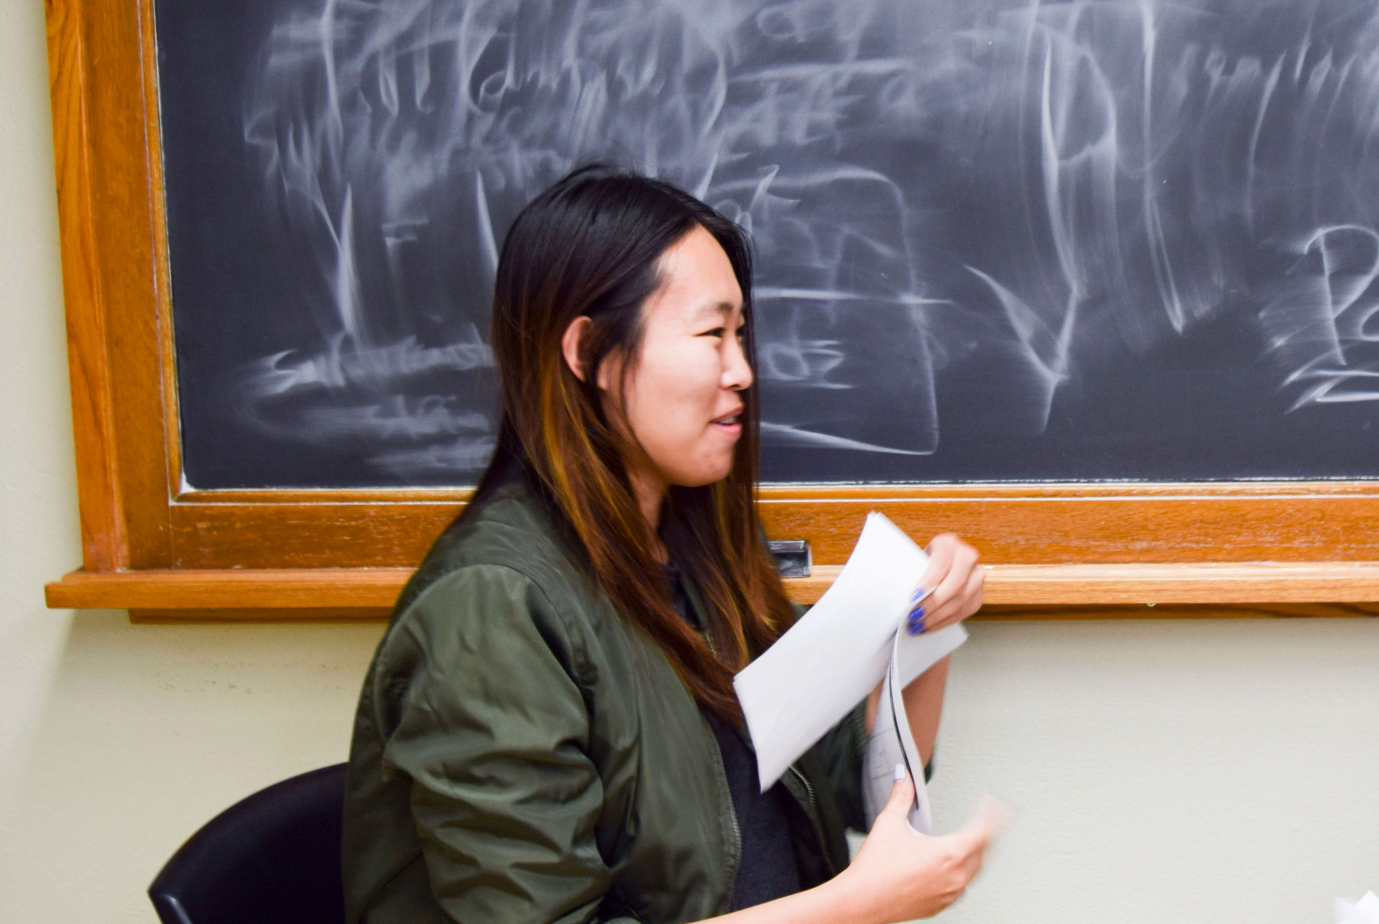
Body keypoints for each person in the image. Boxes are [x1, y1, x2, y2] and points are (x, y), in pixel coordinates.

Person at [344, 165, 1004, 924]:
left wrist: (926, 631)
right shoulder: (491, 609)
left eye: (742, 335)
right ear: (587, 353)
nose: (743, 372)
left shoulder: (701, 553)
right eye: (712, 335)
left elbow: (851, 784)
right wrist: (855, 905)